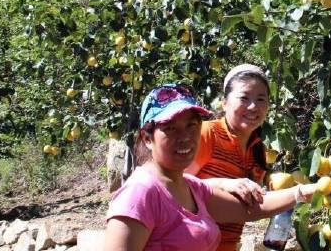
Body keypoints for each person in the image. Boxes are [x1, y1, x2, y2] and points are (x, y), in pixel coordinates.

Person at [105, 84, 315, 251]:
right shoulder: (141, 193)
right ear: (147, 138)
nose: (185, 137)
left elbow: (250, 209)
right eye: (170, 129)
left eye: (192, 125)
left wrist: (303, 192)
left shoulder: (191, 187)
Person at [185, 64, 271, 251]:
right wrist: (223, 184)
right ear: (224, 102)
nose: (253, 106)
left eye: (261, 99)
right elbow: (172, 186)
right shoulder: (208, 134)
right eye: (244, 98)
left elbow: (245, 208)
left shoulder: (258, 151)